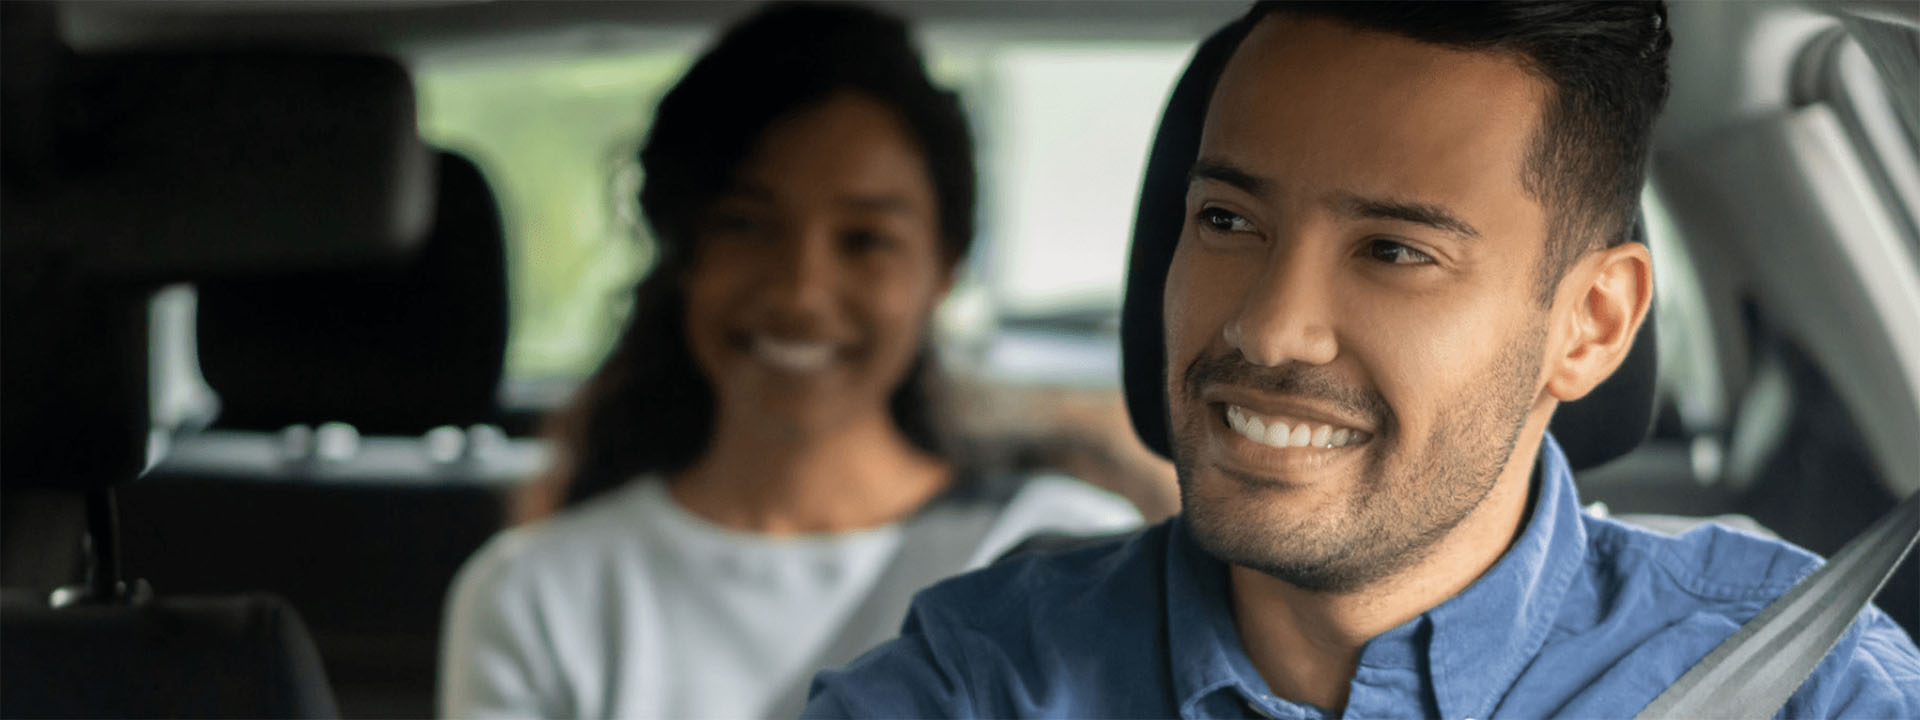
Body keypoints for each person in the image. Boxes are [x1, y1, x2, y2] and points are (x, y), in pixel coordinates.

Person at [803, 2, 1920, 717]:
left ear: (1590, 324)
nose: (1269, 330)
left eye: (1394, 251)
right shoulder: (982, 683)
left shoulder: (1805, 687)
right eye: (1230, 223)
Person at [437, 4, 1140, 718]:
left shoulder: (1072, 562)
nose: (800, 294)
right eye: (746, 226)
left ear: (944, 267)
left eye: (865, 240)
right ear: (683, 252)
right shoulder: (538, 596)